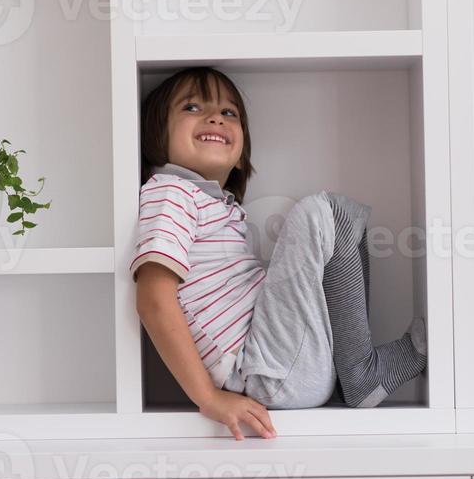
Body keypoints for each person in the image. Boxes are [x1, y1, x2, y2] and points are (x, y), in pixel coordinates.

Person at [130, 66, 427, 441]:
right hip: (262, 371)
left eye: (229, 113)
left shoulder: (219, 205)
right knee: (322, 213)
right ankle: (360, 373)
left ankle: (353, 371)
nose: (215, 118)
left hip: (277, 366)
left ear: (240, 155)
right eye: (192, 107)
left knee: (335, 220)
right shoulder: (170, 192)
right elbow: (153, 300)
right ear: (156, 135)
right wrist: (208, 398)